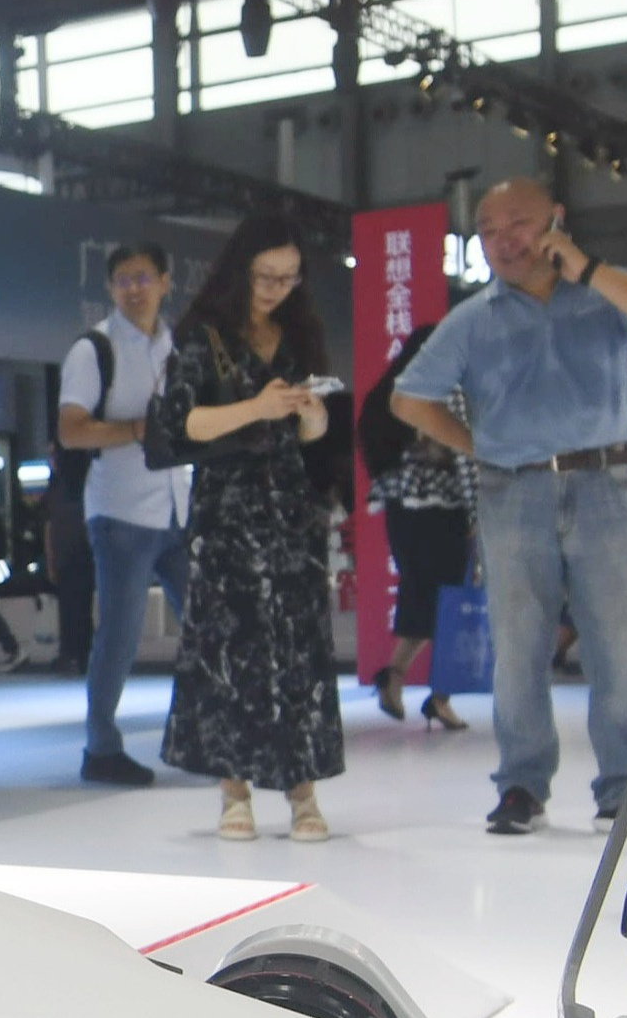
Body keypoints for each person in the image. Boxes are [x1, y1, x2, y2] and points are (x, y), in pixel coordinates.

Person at [398, 180, 627, 836]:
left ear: (555, 222)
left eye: (519, 223)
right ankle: (521, 783)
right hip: (515, 492)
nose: (504, 239)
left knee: (626, 645)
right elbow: (409, 397)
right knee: (518, 644)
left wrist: (588, 268)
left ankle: (626, 782)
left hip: (605, 485)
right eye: (488, 228)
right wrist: (481, 449)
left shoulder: (606, 291)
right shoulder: (474, 318)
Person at [142, 216, 342, 841]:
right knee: (229, 647)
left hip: (290, 510)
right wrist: (257, 407)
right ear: (241, 271)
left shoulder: (300, 333)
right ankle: (235, 792)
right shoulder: (204, 337)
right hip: (226, 510)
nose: (277, 288)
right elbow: (183, 426)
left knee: (297, 648)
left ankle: (301, 789)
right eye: (266, 276)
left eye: (288, 277)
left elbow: (315, 438)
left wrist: (309, 416)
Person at [60, 241, 191, 785]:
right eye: (122, 280)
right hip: (119, 513)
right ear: (111, 289)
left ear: (166, 281)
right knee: (119, 633)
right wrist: (140, 429)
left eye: (143, 277)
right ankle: (100, 746)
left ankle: (204, 733)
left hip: (180, 507)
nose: (134, 289)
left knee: (207, 627)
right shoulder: (93, 350)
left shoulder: (177, 345)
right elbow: (70, 430)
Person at [358, 318, 474, 731]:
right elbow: (466, 458)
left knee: (418, 590)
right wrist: (478, 513)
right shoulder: (445, 392)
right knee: (453, 603)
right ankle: (440, 697)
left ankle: (394, 675)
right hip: (445, 510)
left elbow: (372, 448)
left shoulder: (387, 393)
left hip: (402, 509)